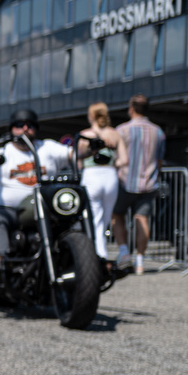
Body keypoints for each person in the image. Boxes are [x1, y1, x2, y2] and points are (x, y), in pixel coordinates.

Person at [0, 108, 72, 267]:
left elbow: (74, 153)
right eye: (19, 125)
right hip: (8, 209)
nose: (25, 128)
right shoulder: (2, 150)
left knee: (70, 215)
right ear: (11, 129)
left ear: (36, 129)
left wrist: (91, 143)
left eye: (30, 125)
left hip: (43, 206)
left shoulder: (47, 147)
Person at [113, 93, 165, 274]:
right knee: (142, 219)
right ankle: (140, 260)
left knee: (117, 215)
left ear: (131, 109)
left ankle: (124, 252)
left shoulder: (122, 130)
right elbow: (159, 160)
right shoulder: (158, 132)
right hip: (149, 182)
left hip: (124, 181)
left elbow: (115, 157)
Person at [77, 102, 122, 264]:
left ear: (92, 116)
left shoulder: (85, 134)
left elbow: (78, 159)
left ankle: (98, 253)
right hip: (110, 176)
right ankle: (101, 252)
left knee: (93, 217)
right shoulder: (114, 134)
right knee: (105, 218)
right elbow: (124, 159)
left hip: (91, 175)